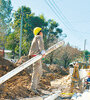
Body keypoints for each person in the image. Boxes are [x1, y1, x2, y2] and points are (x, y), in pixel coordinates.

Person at [28, 27, 45, 94]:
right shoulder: (38, 37)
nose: (42, 33)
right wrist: (43, 52)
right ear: (39, 32)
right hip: (36, 56)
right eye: (41, 31)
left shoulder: (35, 37)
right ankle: (33, 88)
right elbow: (40, 45)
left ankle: (35, 87)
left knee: (39, 72)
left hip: (36, 57)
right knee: (37, 72)